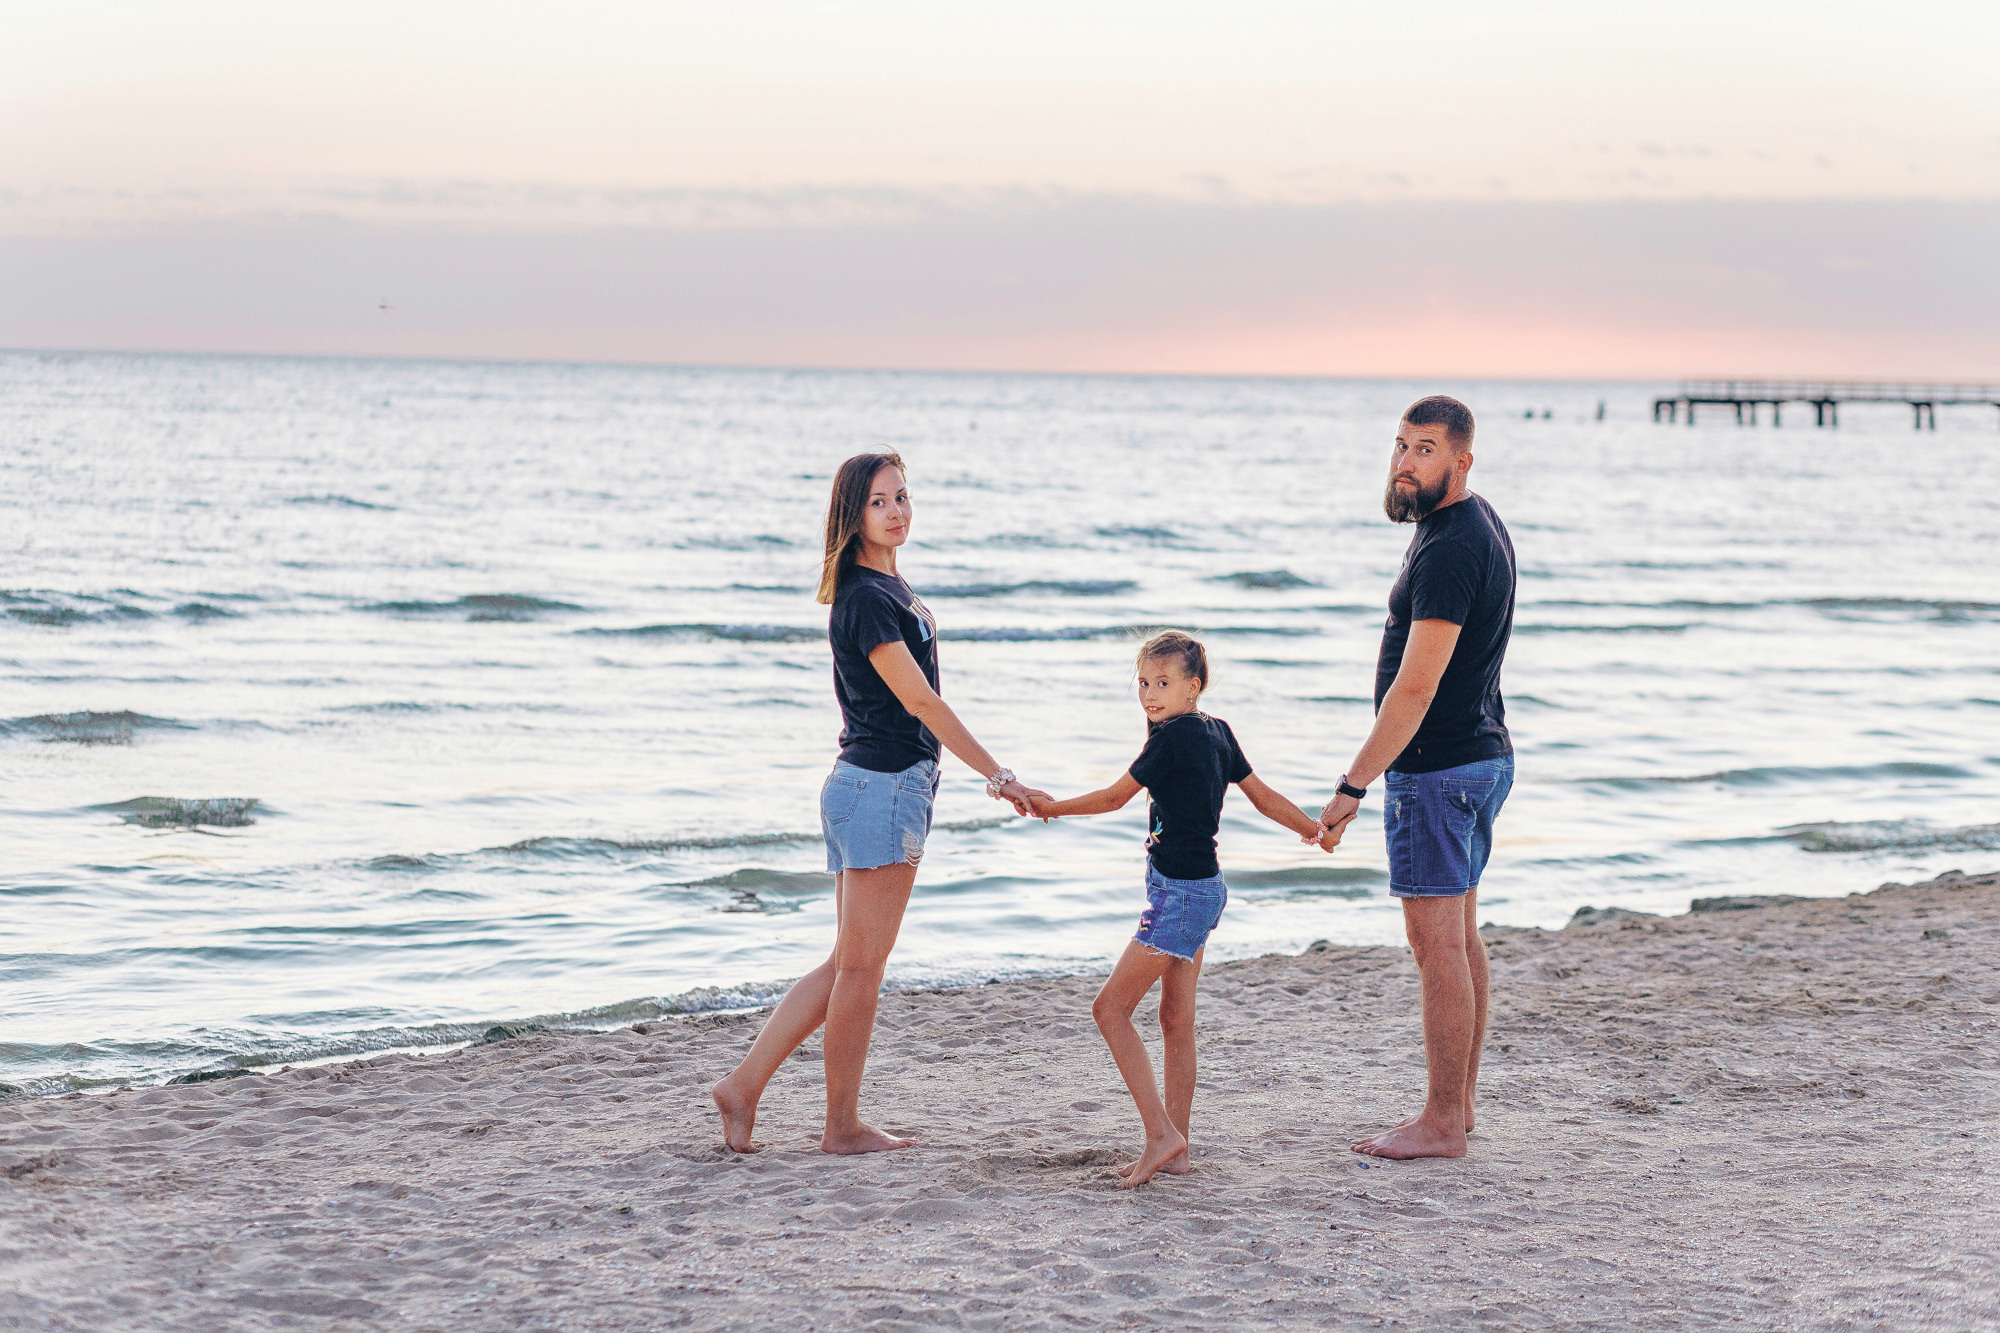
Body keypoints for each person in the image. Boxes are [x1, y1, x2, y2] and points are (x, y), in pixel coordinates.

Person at [711, 452, 1043, 1155]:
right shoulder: (866, 597)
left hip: (871, 786)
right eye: (878, 502)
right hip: (881, 788)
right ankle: (841, 1126)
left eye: (902, 496)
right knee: (861, 969)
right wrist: (1000, 775)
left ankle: (743, 1087)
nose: (896, 511)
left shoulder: (886, 585)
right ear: (852, 514)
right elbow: (920, 701)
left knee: (847, 962)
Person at [1026, 631, 1332, 1186]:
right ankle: (1178, 1148)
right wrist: (1312, 829)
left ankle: (1161, 1136)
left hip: (1180, 897)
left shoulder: (1170, 740)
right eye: (1143, 683)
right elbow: (1263, 797)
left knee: (1109, 1010)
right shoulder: (1217, 731)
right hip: (1205, 889)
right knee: (1175, 1020)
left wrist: (1053, 809)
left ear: (1194, 686)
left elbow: (1114, 797)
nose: (1149, 694)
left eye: (1163, 683)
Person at [1317, 395, 1516, 1160]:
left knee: (1438, 945)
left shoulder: (1449, 548)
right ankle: (1458, 1106)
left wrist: (1353, 785)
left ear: (1461, 461)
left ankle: (1440, 1122)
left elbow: (1416, 687)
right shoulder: (1472, 523)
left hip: (1439, 769)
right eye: (1400, 445)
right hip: (1478, 756)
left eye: (1424, 449)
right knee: (1457, 936)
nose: (1404, 462)